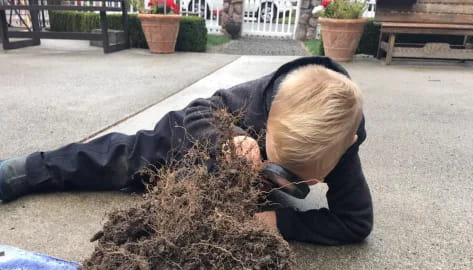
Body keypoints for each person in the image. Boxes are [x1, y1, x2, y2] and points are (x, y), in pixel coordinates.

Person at [0, 56, 373, 245]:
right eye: (273, 160)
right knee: (119, 157)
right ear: (266, 121)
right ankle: (29, 170)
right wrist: (228, 137)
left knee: (214, 205)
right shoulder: (253, 102)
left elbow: (356, 222)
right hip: (187, 139)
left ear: (349, 147)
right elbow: (199, 110)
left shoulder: (340, 144)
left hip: (228, 183)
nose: (282, 176)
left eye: (296, 181)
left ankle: (189, 188)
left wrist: (281, 222)